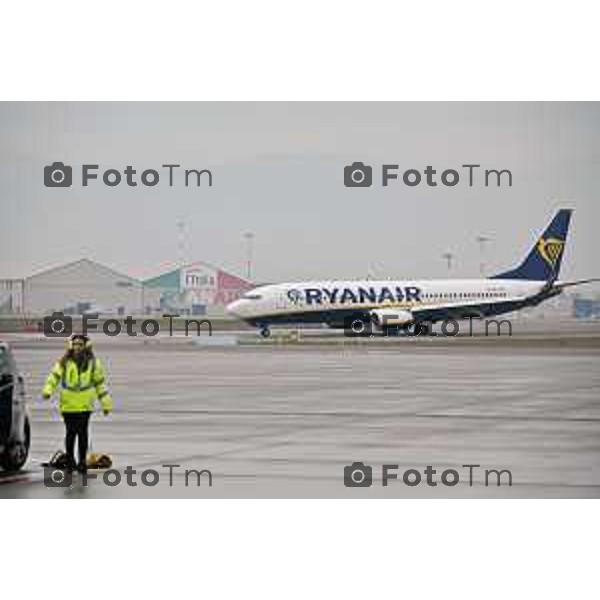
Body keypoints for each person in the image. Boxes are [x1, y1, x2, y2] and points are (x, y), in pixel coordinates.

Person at [42, 334, 113, 472]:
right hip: (68, 404)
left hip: (84, 404)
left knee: (82, 433)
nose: (77, 347)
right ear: (70, 346)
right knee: (70, 433)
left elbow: (100, 383)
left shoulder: (93, 363)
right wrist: (47, 391)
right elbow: (54, 377)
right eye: (75, 344)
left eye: (80, 344)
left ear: (86, 346)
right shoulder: (64, 362)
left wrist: (106, 404)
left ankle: (81, 461)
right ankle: (70, 460)